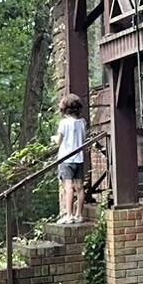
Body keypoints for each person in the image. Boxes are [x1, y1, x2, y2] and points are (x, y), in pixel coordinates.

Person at [54, 93, 87, 225]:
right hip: (79, 158)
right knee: (79, 187)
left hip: (66, 159)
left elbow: (59, 141)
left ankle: (69, 215)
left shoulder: (64, 123)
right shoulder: (82, 122)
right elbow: (84, 139)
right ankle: (79, 215)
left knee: (68, 187)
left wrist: (53, 139)